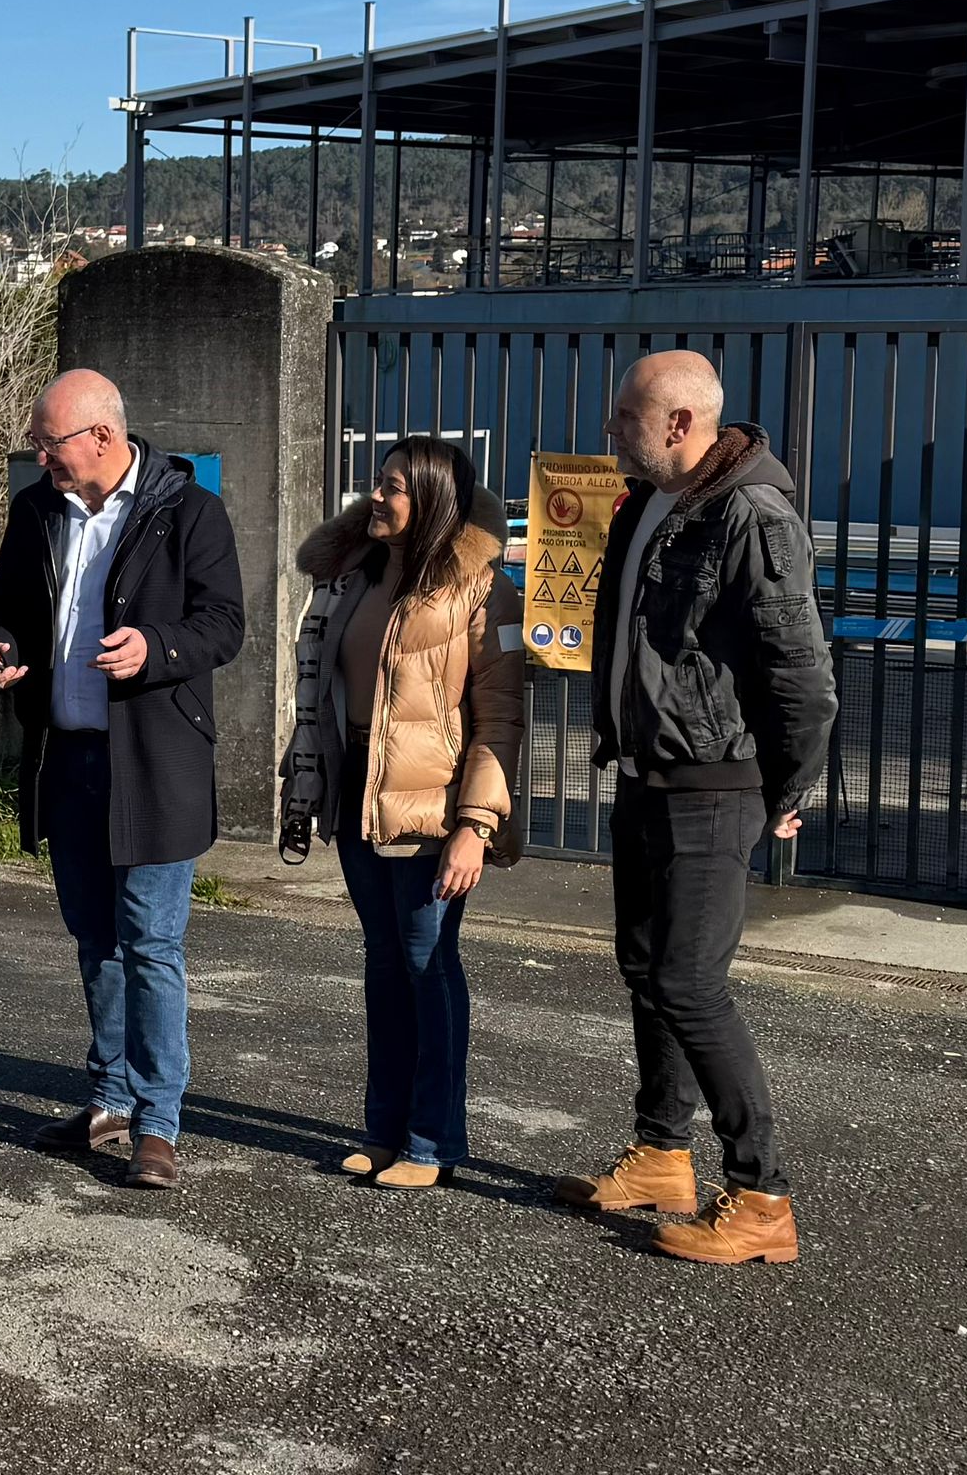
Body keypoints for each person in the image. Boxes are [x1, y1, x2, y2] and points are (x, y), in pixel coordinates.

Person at [555, 350, 837, 1265]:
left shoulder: (750, 513)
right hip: (648, 776)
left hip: (716, 785)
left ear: (680, 423)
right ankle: (662, 1155)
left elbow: (801, 672)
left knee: (689, 983)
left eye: (625, 415)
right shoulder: (649, 500)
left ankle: (761, 1197)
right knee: (645, 967)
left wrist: (787, 789)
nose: (610, 429)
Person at [0, 369, 244, 1190]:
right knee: (95, 939)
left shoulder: (189, 512)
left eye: (48, 442)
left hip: (155, 763)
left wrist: (155, 648)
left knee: (151, 942)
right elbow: (8, 606)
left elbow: (224, 623)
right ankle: (111, 1098)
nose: (40, 457)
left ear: (101, 436)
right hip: (68, 758)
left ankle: (157, 1125)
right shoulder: (36, 510)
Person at [279, 436, 525, 1190]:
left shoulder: (481, 589)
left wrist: (475, 827)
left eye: (393, 486)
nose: (376, 496)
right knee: (384, 963)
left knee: (427, 963)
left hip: (434, 806)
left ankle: (432, 1140)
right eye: (378, 482)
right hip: (359, 788)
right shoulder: (356, 571)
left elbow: (501, 718)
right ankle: (383, 1131)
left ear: (433, 500)